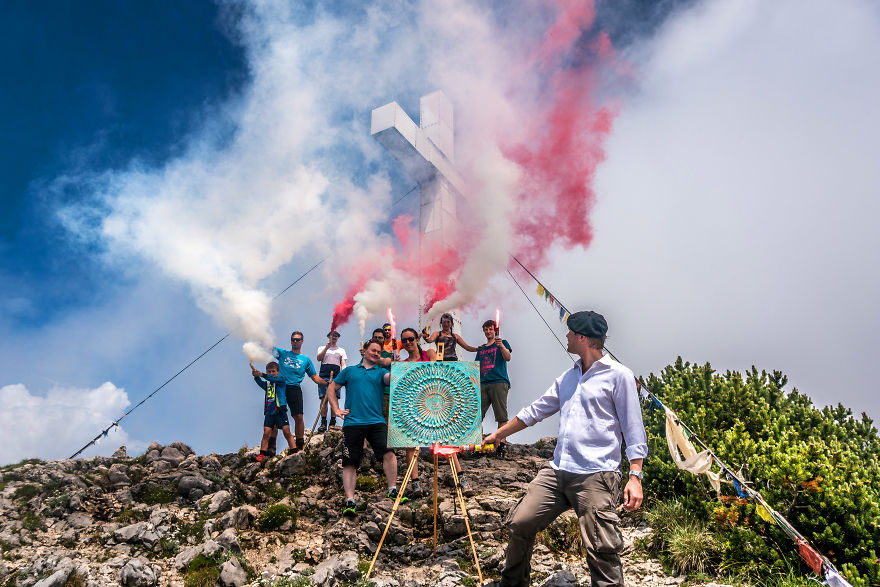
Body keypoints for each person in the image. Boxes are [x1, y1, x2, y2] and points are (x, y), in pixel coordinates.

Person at [483, 311, 648, 587]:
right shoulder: (568, 377)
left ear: (582, 337)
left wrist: (635, 476)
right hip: (558, 470)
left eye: (571, 332)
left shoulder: (619, 375)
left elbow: (633, 428)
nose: (567, 336)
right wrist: (498, 434)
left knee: (601, 546)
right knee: (521, 522)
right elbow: (535, 411)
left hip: (597, 475)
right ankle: (513, 584)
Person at [327, 340, 399, 516]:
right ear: (364, 351)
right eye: (373, 350)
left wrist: (394, 365)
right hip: (352, 422)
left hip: (376, 421)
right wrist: (336, 409)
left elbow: (392, 379)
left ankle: (392, 489)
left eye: (379, 352)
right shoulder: (350, 371)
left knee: (389, 453)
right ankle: (350, 500)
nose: (376, 353)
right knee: (349, 462)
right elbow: (332, 387)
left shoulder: (381, 372)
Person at [271, 331, 328, 453]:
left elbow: (314, 377)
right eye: (293, 339)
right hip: (280, 387)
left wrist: (327, 383)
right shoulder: (282, 353)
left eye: (297, 340)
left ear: (302, 341)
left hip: (294, 388)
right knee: (275, 416)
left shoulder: (305, 360)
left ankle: (300, 443)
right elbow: (268, 347)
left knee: (298, 416)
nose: (295, 342)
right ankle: (271, 447)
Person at [471, 319, 512, 458]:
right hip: (482, 383)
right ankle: (477, 445)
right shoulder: (481, 348)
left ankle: (501, 446)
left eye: (490, 329)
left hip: (499, 382)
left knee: (501, 416)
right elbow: (476, 366)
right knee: (476, 416)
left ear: (495, 330)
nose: (488, 331)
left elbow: (508, 357)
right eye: (486, 329)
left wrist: (501, 346)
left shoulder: (502, 342)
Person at [249, 361, 295, 463]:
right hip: (269, 412)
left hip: (280, 410)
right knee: (266, 433)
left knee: (286, 431)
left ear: (278, 372)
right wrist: (256, 376)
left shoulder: (281, 380)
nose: (271, 373)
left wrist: (262, 374)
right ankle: (262, 454)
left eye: (273, 371)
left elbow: (272, 378)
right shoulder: (268, 383)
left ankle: (294, 451)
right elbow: (261, 383)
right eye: (269, 371)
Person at [316, 330, 347, 433]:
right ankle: (323, 422)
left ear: (338, 337)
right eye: (332, 336)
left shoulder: (341, 350)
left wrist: (343, 375)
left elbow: (343, 364)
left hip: (336, 378)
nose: (334, 337)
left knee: (334, 399)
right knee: (323, 400)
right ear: (328, 337)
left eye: (336, 336)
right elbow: (319, 358)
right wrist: (326, 347)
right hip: (324, 377)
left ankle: (333, 422)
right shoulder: (321, 348)